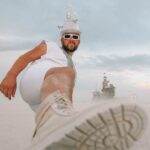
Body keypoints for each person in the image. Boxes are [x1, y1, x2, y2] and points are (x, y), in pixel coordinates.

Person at [0, 8, 148, 150]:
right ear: (61, 38)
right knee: (68, 74)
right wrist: (11, 75)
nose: (71, 39)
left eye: (75, 37)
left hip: (42, 99)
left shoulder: (70, 68)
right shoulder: (51, 47)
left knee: (58, 111)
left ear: (79, 41)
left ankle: (45, 135)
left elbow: (65, 97)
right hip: (35, 79)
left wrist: (71, 120)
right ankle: (58, 123)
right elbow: (27, 57)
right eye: (67, 36)